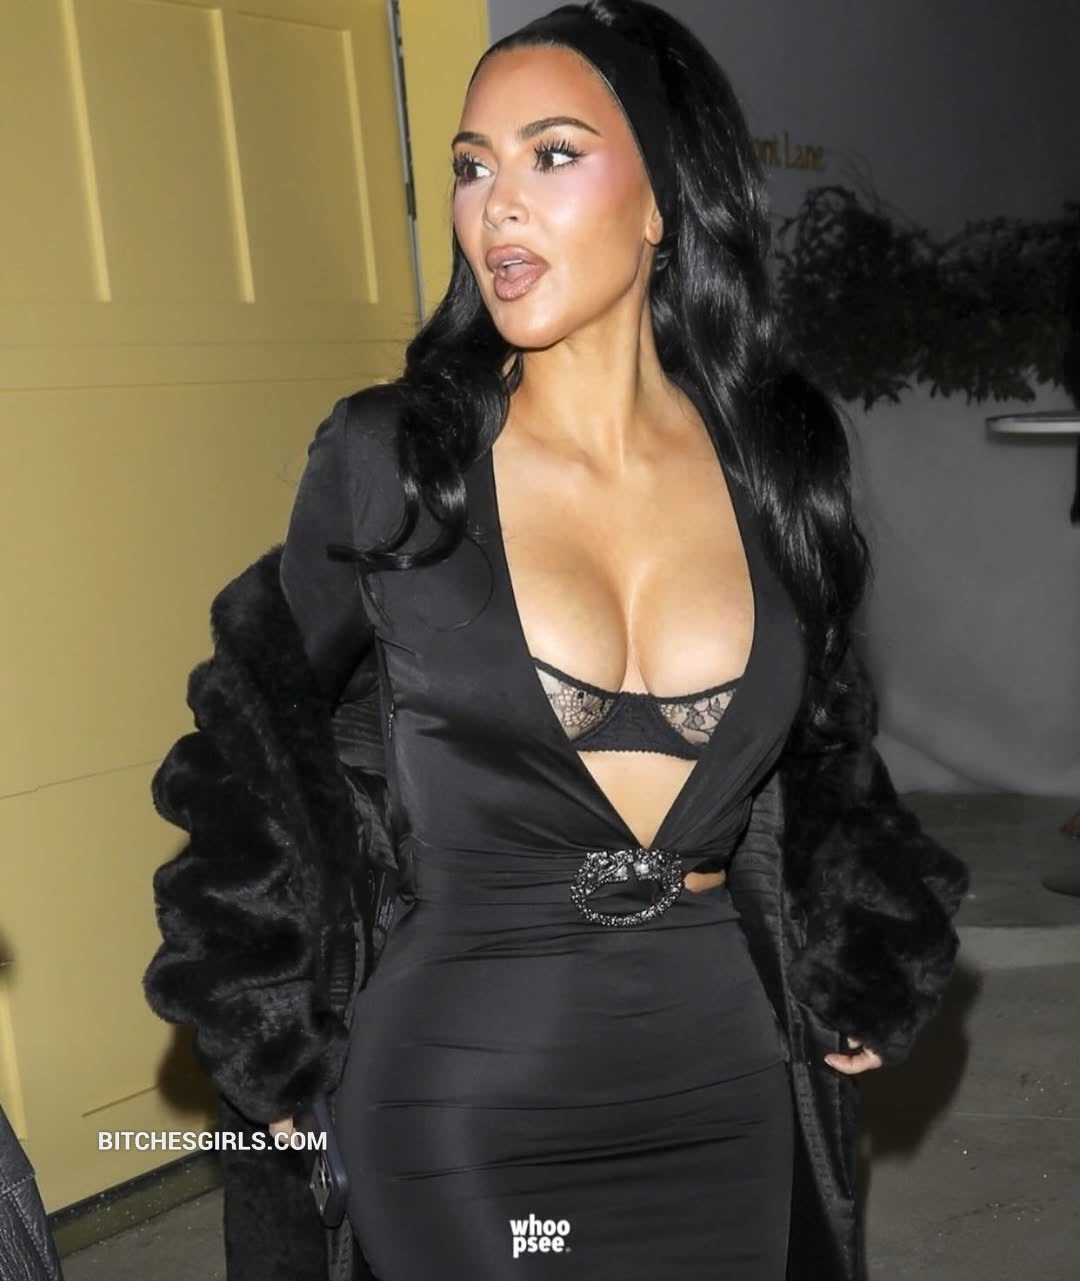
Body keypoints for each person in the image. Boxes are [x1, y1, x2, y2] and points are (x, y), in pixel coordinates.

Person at [143, 3, 969, 1279]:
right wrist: (260, 1002)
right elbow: (253, 733)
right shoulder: (396, 460)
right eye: (472, 167)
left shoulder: (777, 467)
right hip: (464, 1096)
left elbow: (823, 748)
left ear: (664, 203)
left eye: (554, 154)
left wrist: (864, 935)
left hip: (722, 1075)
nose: (498, 206)